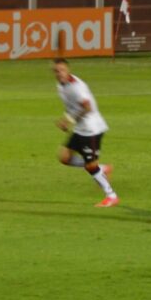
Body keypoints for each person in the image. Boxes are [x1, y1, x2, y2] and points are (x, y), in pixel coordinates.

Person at [52, 58, 118, 207]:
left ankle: (111, 196)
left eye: (62, 70)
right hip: (80, 128)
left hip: (91, 129)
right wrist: (67, 119)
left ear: (68, 70)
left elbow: (87, 107)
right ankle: (102, 168)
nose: (60, 73)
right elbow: (72, 106)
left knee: (90, 166)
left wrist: (69, 120)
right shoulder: (61, 86)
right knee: (64, 157)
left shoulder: (77, 87)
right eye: (56, 71)